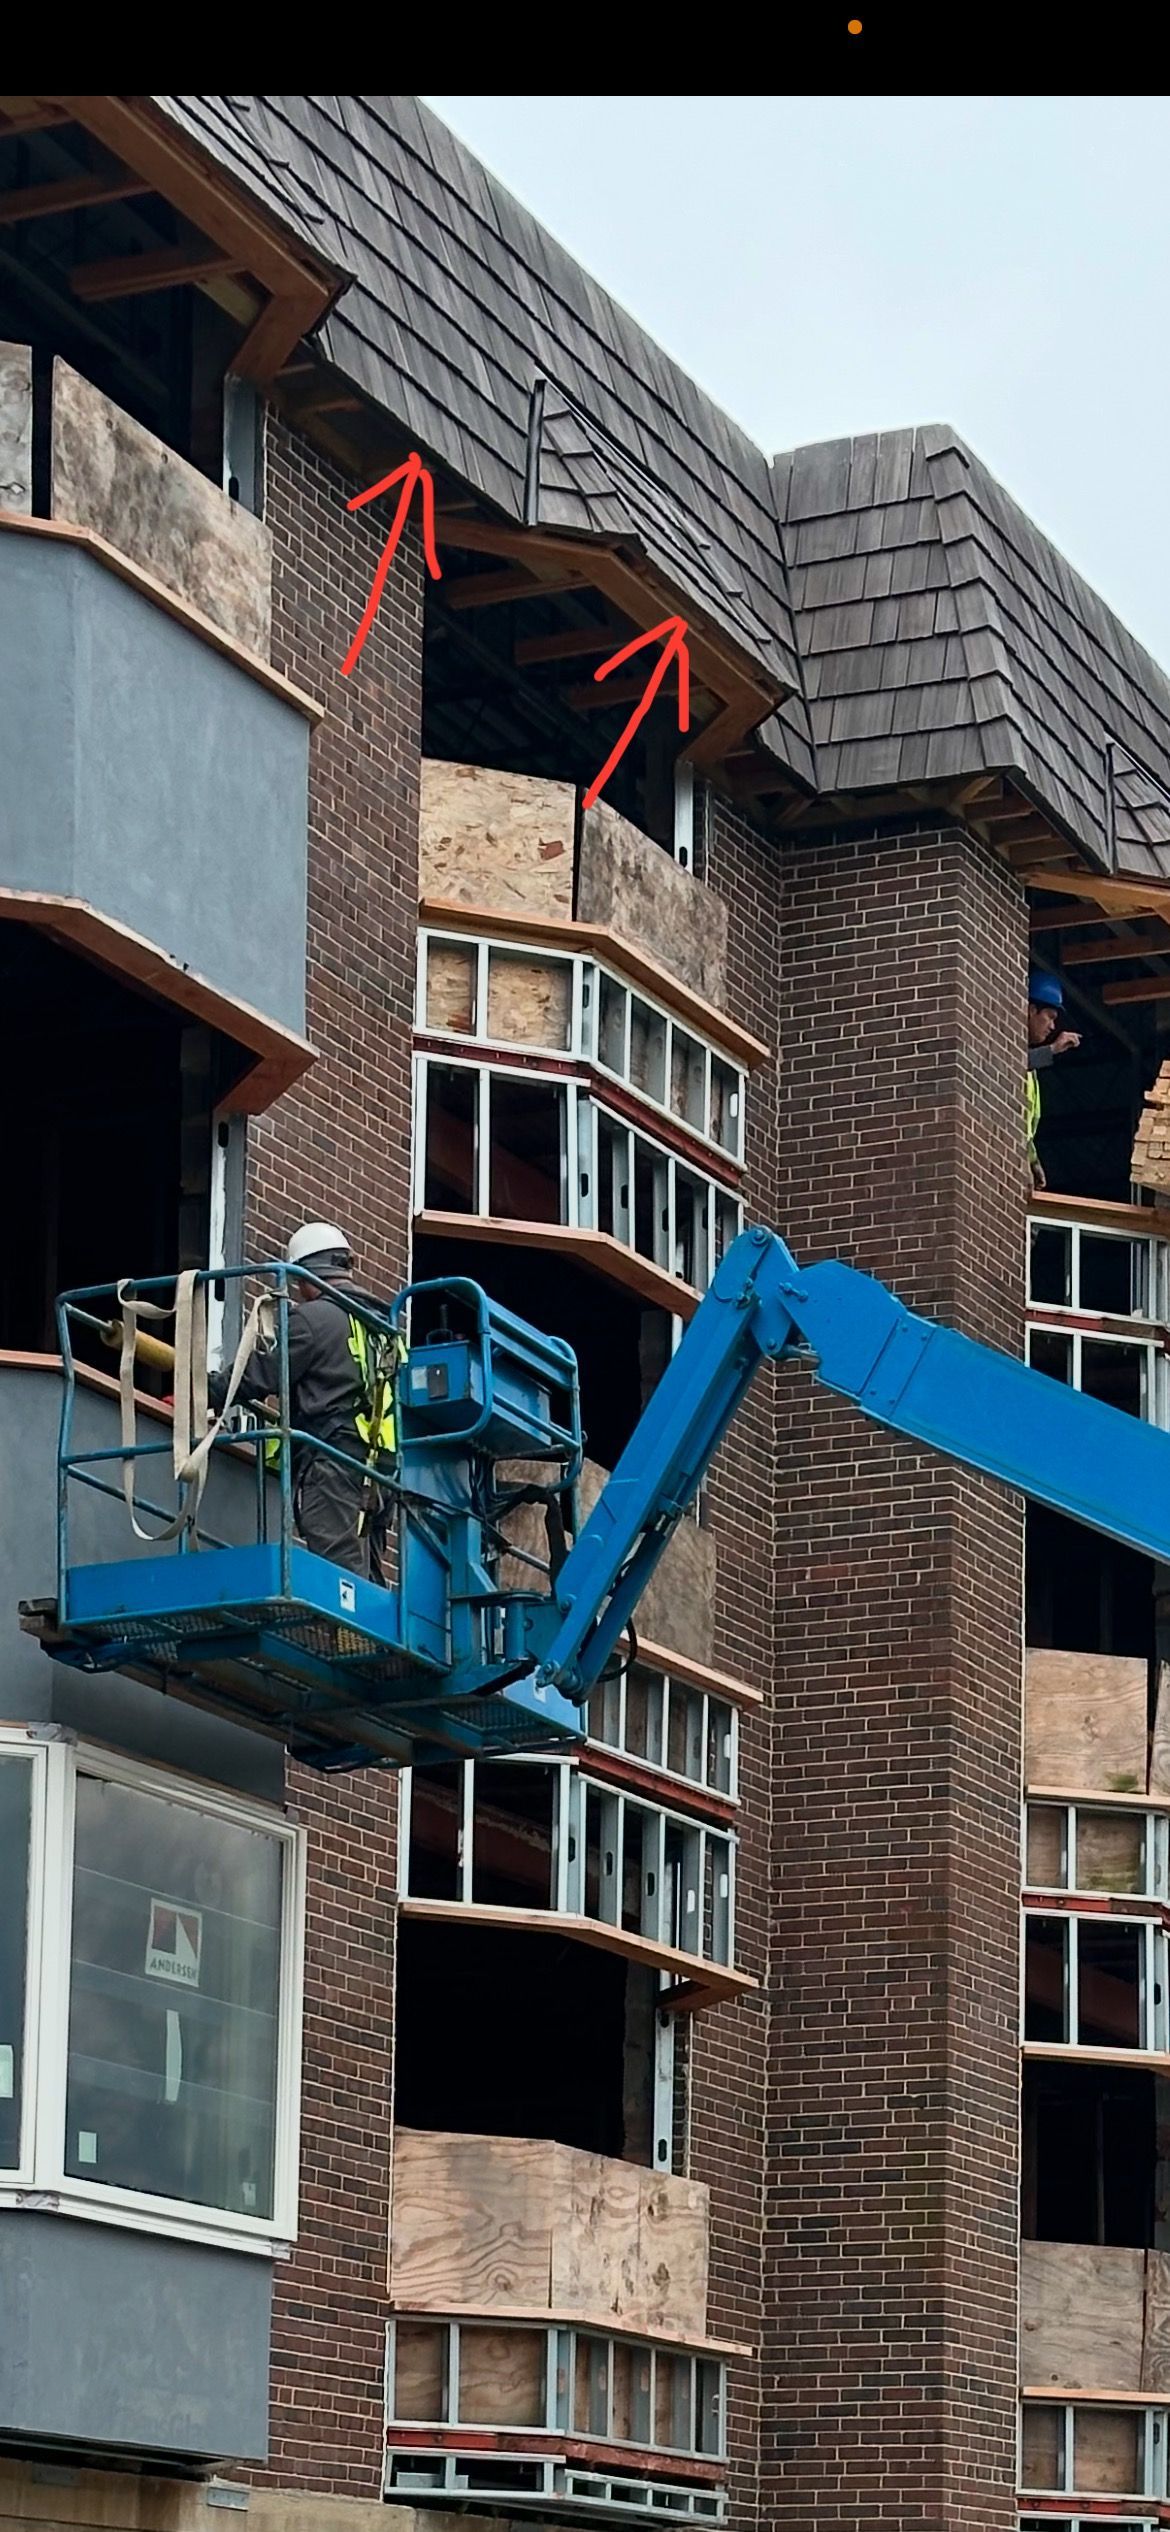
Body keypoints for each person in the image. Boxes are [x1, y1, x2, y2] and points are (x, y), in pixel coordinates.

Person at [208, 1222, 396, 1578]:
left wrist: (206, 1391)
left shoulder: (314, 1319)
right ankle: (363, 1630)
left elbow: (259, 1374)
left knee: (337, 1564)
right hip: (379, 1473)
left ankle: (349, 1635)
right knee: (364, 1567)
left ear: (305, 1276)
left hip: (334, 1465)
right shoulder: (381, 1329)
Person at [1027, 972, 1081, 1191]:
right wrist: (1052, 1050)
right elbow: (1009, 1064)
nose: (1052, 1027)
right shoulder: (1006, 1048)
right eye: (1049, 1017)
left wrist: (1032, 1160)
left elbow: (1025, 1130)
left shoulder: (1031, 1071)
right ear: (1031, 1010)